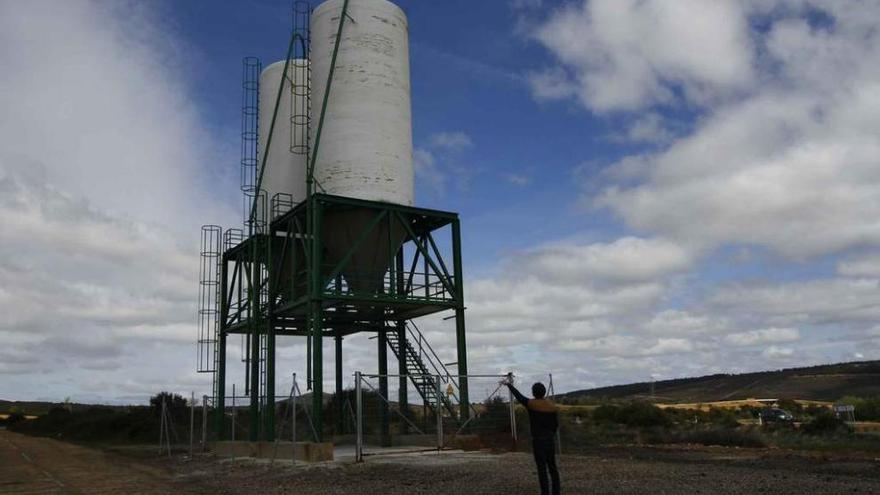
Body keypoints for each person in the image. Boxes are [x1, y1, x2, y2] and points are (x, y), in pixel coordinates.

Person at [504, 377, 561, 495]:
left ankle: (545, 493)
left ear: (533, 393)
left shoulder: (531, 404)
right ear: (544, 392)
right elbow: (555, 425)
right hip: (550, 441)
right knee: (553, 468)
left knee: (542, 469)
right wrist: (551, 435)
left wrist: (509, 385)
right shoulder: (552, 407)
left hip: (538, 441)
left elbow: (519, 397)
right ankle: (556, 492)